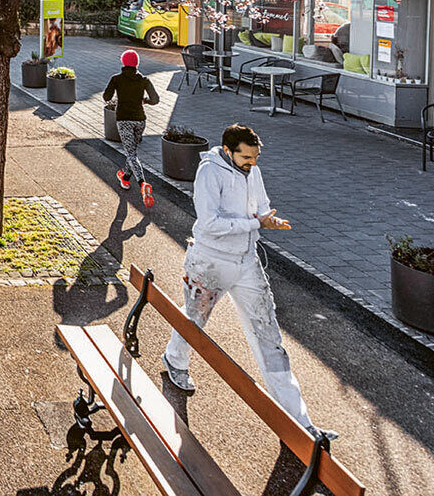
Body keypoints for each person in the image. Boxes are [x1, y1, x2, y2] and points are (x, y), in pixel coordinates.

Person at [160, 124, 338, 443]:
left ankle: (299, 422)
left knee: (269, 336)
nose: (252, 163)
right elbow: (209, 223)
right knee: (194, 318)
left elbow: (261, 204)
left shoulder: (252, 169)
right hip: (210, 261)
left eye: (255, 157)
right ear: (228, 151)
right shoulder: (209, 172)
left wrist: (267, 218)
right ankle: (174, 360)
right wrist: (255, 222)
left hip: (246, 261)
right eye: (246, 157)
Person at [103, 50, 159, 206]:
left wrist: (115, 95)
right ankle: (125, 178)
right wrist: (145, 101)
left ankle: (142, 184)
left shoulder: (116, 79)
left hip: (124, 120)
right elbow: (155, 99)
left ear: (123, 63)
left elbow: (106, 97)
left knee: (131, 154)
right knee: (132, 151)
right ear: (137, 64)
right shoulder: (144, 80)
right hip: (140, 120)